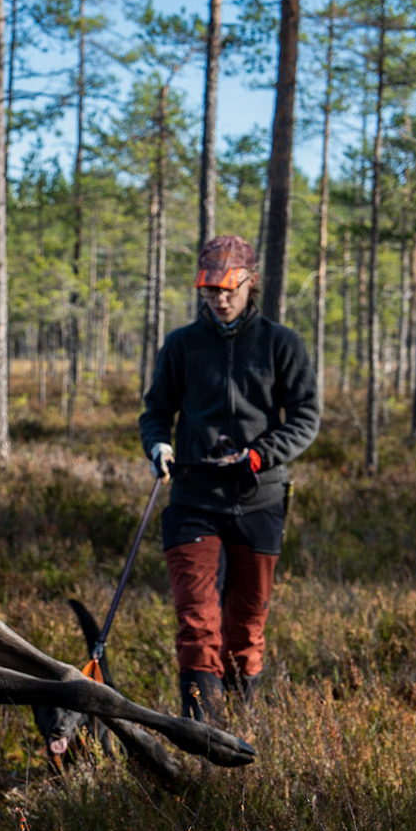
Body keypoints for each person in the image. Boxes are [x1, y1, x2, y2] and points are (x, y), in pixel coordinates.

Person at [137, 235, 321, 723]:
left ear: (250, 283)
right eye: (210, 290)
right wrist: (159, 446)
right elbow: (155, 412)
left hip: (260, 500)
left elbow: (305, 416)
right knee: (197, 624)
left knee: (246, 628)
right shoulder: (181, 345)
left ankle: (241, 731)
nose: (219, 299)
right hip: (193, 499)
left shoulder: (281, 344)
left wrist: (261, 455)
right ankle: (203, 735)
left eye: (228, 289)